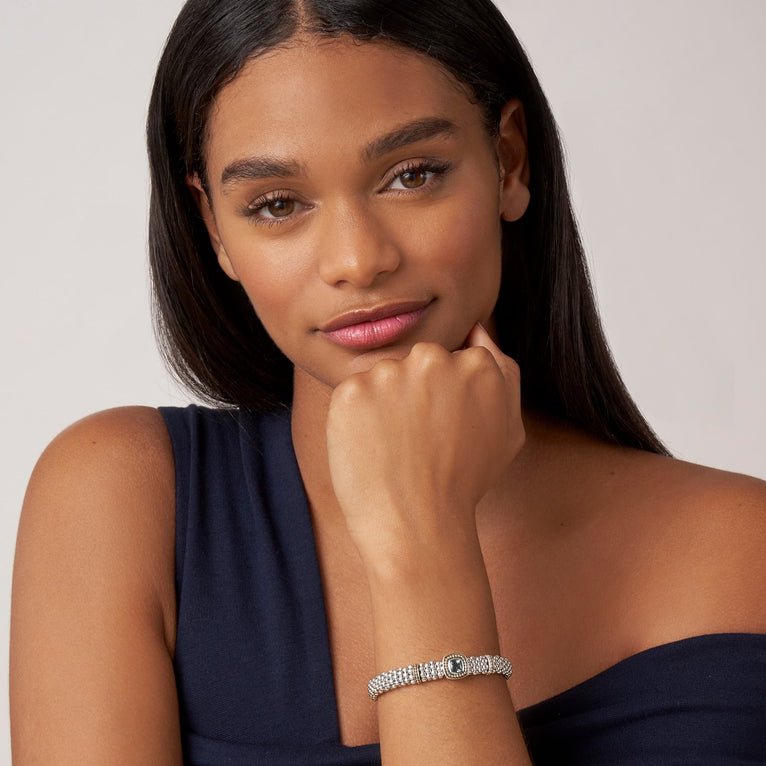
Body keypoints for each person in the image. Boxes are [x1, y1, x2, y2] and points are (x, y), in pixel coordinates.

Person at [10, 0, 766, 763]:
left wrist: (424, 548)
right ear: (214, 228)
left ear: (508, 162)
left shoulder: (741, 554)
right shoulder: (123, 502)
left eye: (412, 175)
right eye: (276, 204)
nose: (357, 259)